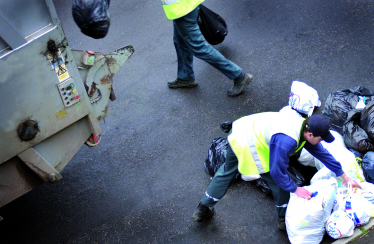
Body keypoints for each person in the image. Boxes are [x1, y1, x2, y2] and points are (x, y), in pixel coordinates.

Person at [192, 113, 361, 230]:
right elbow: (277, 172)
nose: (321, 141)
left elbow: (323, 154)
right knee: (278, 181)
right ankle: (283, 220)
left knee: (226, 172)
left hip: (240, 131)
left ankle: (203, 208)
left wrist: (345, 177)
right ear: (310, 134)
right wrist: (296, 189)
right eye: (321, 138)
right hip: (249, 142)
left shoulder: (302, 126)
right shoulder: (287, 141)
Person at [161, 0, 253, 97]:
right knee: (180, 41)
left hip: (182, 8)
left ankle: (239, 75)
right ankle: (185, 76)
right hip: (181, 7)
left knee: (199, 48)